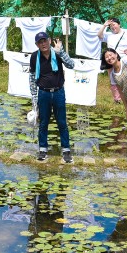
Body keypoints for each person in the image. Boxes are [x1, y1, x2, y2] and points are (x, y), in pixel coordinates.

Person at [29, 31, 75, 163]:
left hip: (59, 92)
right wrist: (34, 96)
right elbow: (32, 77)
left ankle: (66, 150)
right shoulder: (34, 57)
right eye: (40, 42)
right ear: (37, 44)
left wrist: (61, 52)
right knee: (43, 123)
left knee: (62, 122)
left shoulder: (57, 53)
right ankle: (42, 149)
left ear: (49, 40)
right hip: (43, 93)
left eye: (44, 40)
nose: (43, 44)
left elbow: (71, 64)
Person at [96, 18, 126, 103]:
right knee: (113, 80)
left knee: (123, 79)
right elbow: (99, 35)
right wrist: (105, 25)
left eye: (114, 25)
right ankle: (117, 99)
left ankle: (125, 98)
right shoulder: (109, 35)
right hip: (110, 60)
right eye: (110, 26)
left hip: (122, 61)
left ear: (119, 24)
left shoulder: (125, 34)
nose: (112, 27)